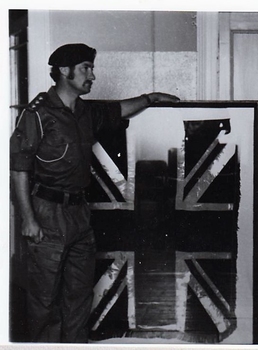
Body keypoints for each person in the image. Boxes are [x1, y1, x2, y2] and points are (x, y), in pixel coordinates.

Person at [10, 43, 180, 343]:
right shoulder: (38, 114)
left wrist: (150, 98)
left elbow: (119, 109)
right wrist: (27, 218)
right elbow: (19, 167)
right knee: (44, 299)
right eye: (86, 68)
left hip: (79, 213)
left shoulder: (85, 112)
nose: (93, 75)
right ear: (65, 71)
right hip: (46, 213)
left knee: (79, 296)